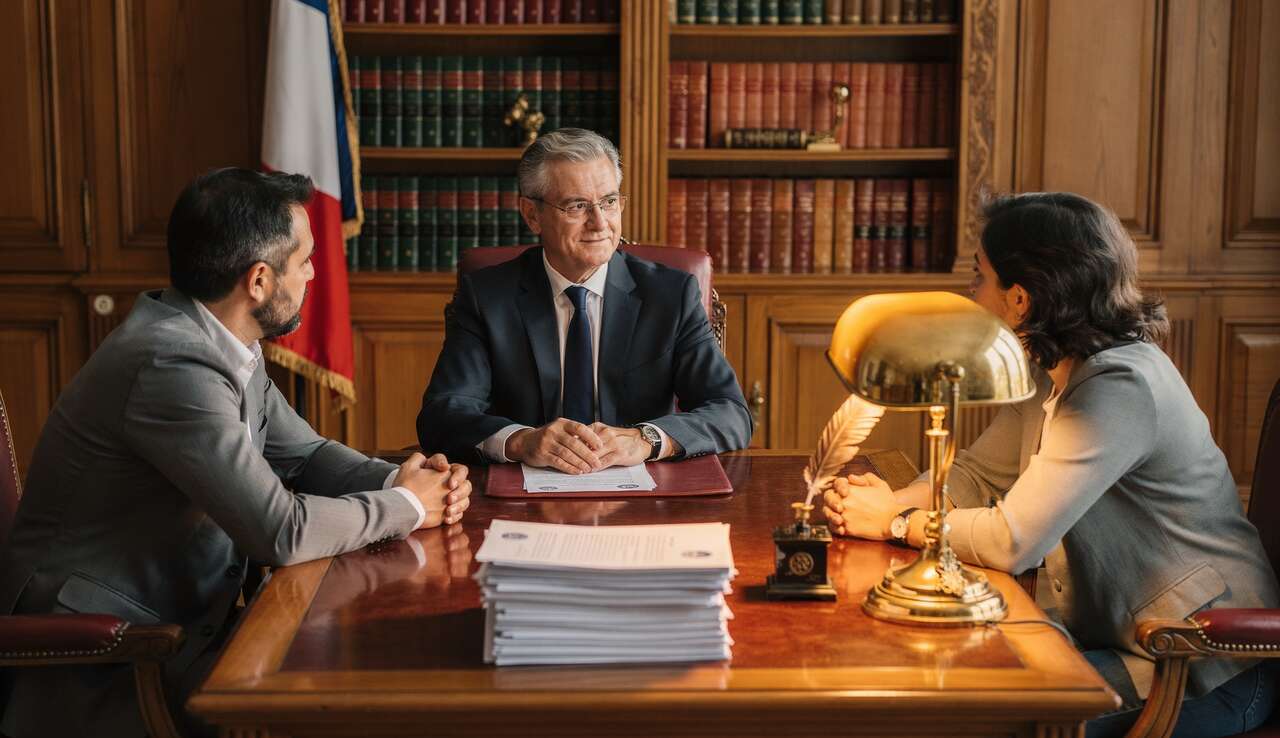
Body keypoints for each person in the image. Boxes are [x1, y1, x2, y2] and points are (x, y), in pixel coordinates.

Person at [0, 168, 473, 738]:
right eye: (305, 261)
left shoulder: (219, 339)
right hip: (116, 657)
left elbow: (305, 455)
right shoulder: (172, 363)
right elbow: (280, 531)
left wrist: (407, 479)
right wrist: (408, 506)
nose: (314, 274)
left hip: (192, 623)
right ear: (259, 281)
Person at [823, 192, 1280, 737]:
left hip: (1201, 664)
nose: (970, 293)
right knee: (935, 685)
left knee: (978, 719)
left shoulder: (1120, 387)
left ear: (1020, 299)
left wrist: (895, 524)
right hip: (1126, 643)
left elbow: (1013, 541)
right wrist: (884, 504)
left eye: (979, 276)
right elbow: (976, 476)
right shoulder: (1056, 368)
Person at [417, 128, 752, 471]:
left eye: (609, 202)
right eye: (577, 206)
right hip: (526, 486)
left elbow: (731, 412)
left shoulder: (670, 295)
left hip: (640, 487)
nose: (600, 223)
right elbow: (442, 415)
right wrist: (520, 441)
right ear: (532, 214)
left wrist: (646, 439)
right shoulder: (488, 296)